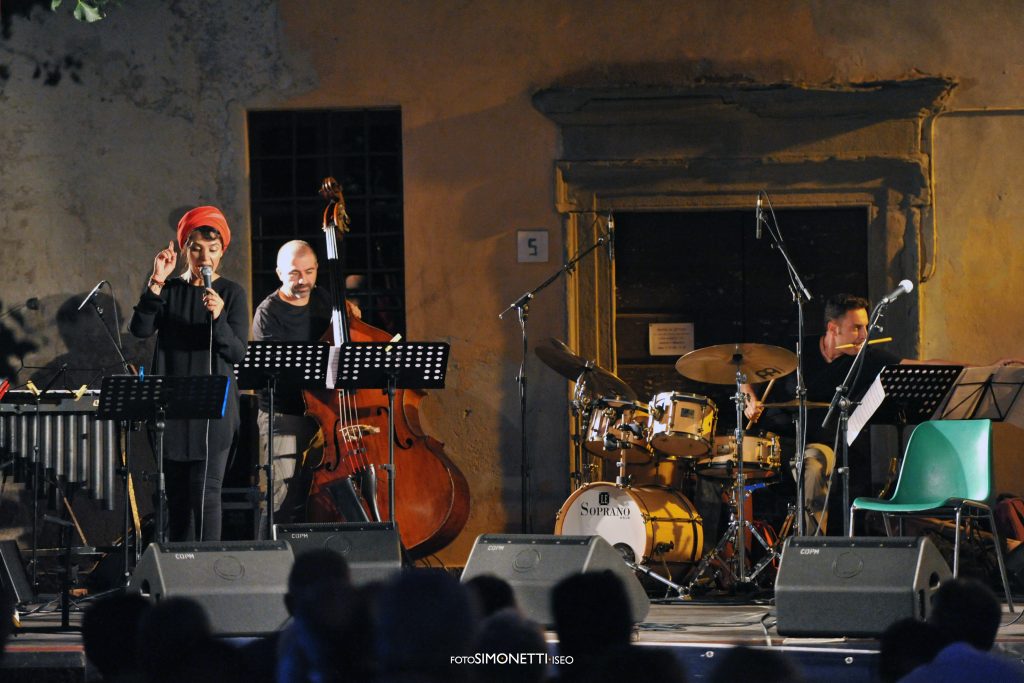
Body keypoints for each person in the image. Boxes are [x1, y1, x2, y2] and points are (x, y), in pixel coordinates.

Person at [744, 293, 1021, 534]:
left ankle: (808, 553)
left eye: (865, 327)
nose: (864, 335)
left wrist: (986, 367)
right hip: (773, 442)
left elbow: (922, 365)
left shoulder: (866, 357)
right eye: (856, 328)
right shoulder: (793, 350)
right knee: (720, 463)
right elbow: (744, 370)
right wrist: (751, 399)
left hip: (817, 446)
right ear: (832, 329)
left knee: (815, 466)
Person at [129, 206, 248, 542]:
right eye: (196, 248)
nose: (204, 257)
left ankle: (209, 576)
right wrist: (156, 280)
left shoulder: (231, 294)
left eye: (213, 250)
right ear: (185, 249)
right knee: (176, 500)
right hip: (171, 409)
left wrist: (219, 317)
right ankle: (179, 576)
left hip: (215, 412)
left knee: (207, 496)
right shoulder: (167, 289)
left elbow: (237, 352)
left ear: (222, 251)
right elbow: (139, 329)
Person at [251, 240, 332, 525]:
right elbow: (280, 372)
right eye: (294, 273)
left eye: (309, 272)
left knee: (322, 497)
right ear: (279, 273)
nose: (303, 280)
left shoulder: (324, 300)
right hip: (284, 414)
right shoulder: (268, 313)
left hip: (326, 413)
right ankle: (270, 564)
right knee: (279, 501)